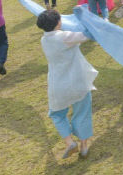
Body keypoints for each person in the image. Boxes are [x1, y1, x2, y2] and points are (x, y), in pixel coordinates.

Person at [37, 9, 97, 159]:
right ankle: (84, 146)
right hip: (78, 82)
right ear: (58, 22)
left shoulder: (44, 40)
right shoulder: (65, 37)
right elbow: (87, 35)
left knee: (56, 114)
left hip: (58, 85)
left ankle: (69, 142)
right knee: (82, 112)